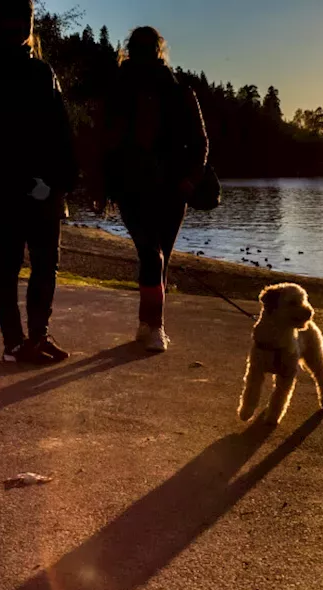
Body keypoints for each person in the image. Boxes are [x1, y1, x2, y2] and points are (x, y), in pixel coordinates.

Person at [0, 0, 78, 364]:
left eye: (23, 19)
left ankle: (32, 338)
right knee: (16, 263)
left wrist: (62, 179)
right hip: (18, 185)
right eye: (15, 18)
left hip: (30, 185)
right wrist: (39, 179)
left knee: (37, 263)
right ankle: (17, 342)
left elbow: (60, 132)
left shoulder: (36, 70)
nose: (20, 26)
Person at [104, 26, 208, 353]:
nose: (143, 53)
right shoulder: (118, 91)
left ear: (158, 52)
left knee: (158, 259)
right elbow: (104, 142)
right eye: (137, 47)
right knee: (152, 254)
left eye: (148, 48)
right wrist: (103, 184)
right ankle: (154, 327)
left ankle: (148, 323)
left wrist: (190, 179)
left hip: (172, 189)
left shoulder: (179, 92)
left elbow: (201, 143)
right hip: (131, 187)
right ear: (130, 50)